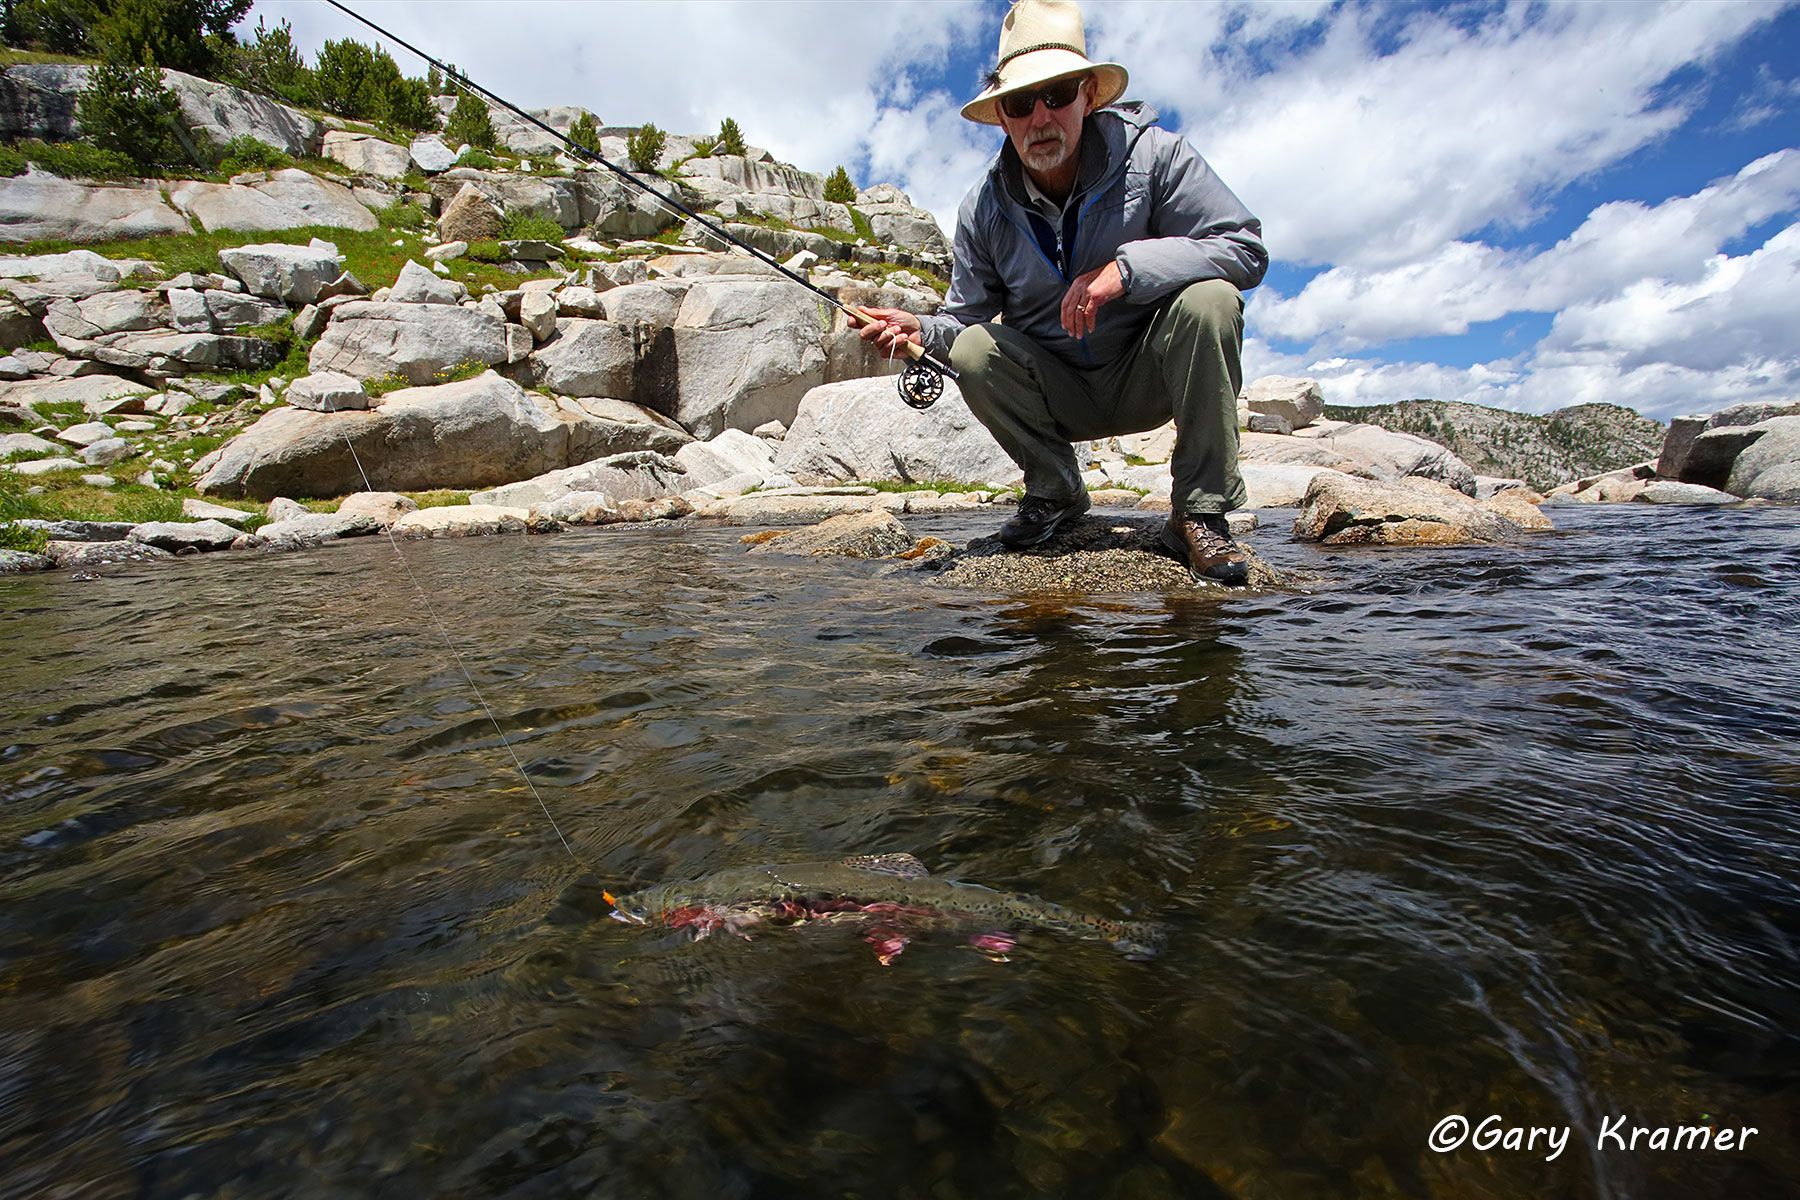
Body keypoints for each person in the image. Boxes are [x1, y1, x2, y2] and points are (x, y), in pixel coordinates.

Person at [856, 0, 1267, 584]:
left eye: (1058, 94)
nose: (1040, 118)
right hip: (1060, 394)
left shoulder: (1158, 156)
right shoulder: (984, 206)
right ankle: (1055, 491)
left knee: (1212, 301)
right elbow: (964, 316)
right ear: (1002, 116)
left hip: (1147, 375)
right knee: (972, 347)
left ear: (1089, 96)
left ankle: (1199, 512)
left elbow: (1244, 248)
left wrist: (1127, 270)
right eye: (1021, 103)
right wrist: (922, 330)